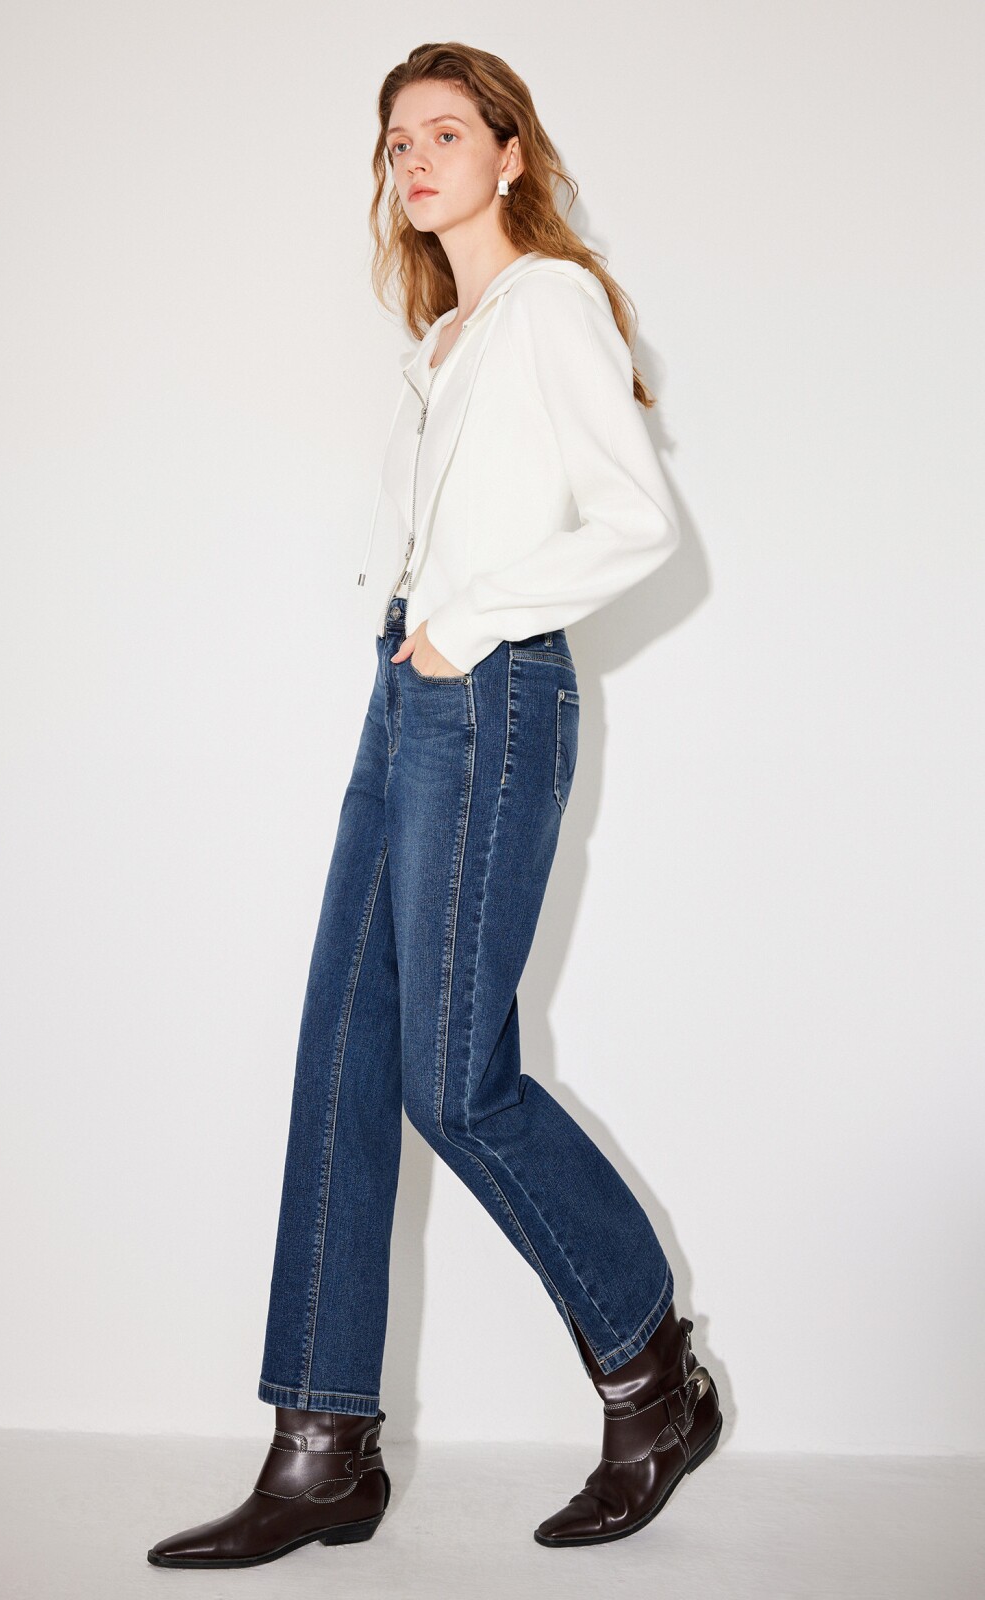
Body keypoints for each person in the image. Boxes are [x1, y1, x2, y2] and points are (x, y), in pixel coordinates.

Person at [147, 40, 721, 1570]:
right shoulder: (449, 338)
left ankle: (651, 1376)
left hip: (492, 693)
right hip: (409, 694)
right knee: (343, 1060)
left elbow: (640, 525)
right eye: (397, 140)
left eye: (446, 132)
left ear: (511, 153)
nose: (415, 158)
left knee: (455, 1084)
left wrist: (470, 624)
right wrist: (423, 635)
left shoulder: (550, 304)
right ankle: (321, 1449)